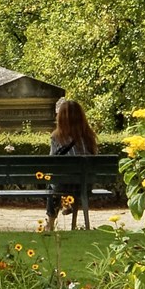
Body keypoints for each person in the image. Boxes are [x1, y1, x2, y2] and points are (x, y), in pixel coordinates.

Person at [43, 94, 98, 229]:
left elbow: (51, 163)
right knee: (63, 182)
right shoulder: (89, 136)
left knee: (51, 184)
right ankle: (68, 207)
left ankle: (50, 223)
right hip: (85, 185)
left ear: (61, 118)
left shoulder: (57, 137)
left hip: (63, 185)